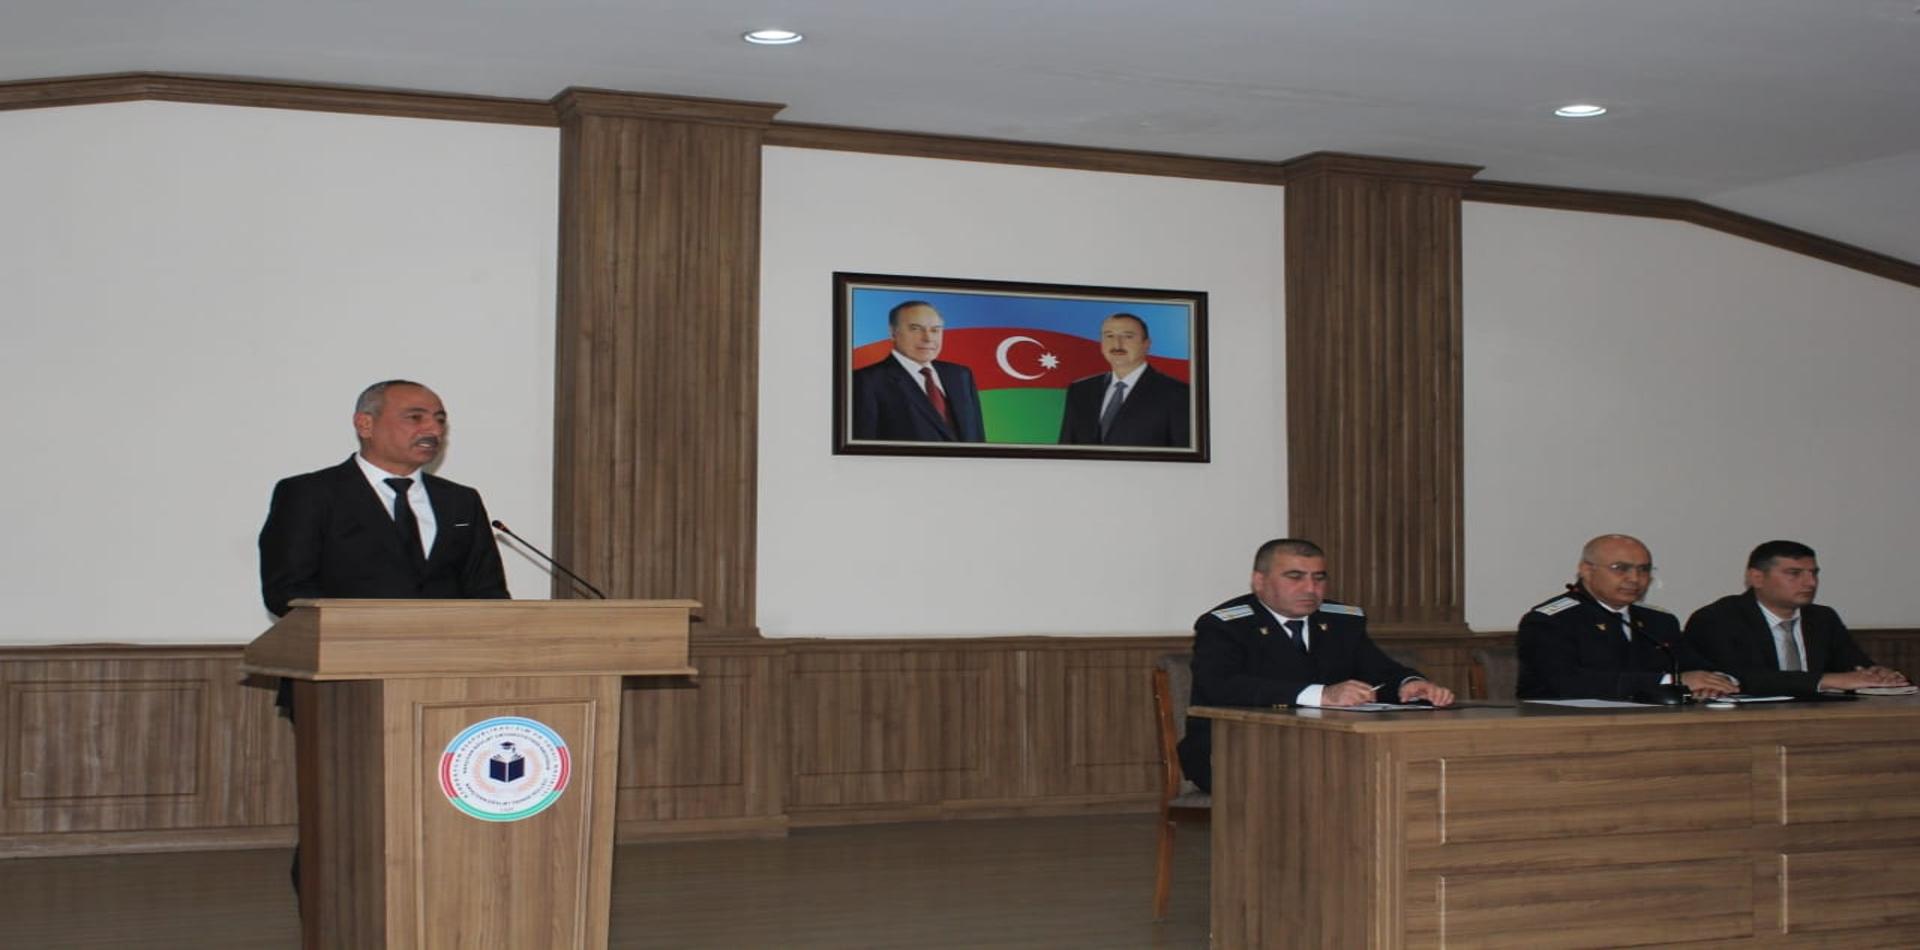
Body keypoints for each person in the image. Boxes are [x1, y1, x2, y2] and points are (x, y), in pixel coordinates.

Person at [1177, 538, 1454, 791]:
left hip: (1328, 746)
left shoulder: (1342, 621)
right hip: (1237, 749)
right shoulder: (1226, 625)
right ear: (1259, 581)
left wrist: (1410, 684)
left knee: (1405, 769)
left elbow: (1379, 670)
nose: (1310, 589)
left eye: (1319, 578)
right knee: (1340, 777)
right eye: (1294, 577)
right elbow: (1220, 686)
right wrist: (1321, 694)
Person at [259, 379, 510, 616]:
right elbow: (287, 591)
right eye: (415, 417)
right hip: (350, 644)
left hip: (449, 645)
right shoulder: (311, 494)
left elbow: (489, 592)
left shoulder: (460, 500)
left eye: (440, 420)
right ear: (365, 425)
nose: (434, 429)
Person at [1515, 534, 1735, 701]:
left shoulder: (1659, 621)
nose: (1634, 578)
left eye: (1644, 569)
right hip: (1566, 727)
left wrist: (1718, 682)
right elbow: (1567, 683)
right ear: (1587, 571)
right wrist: (1670, 681)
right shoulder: (1549, 621)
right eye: (1620, 568)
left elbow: (1695, 666)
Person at [1684, 540, 1908, 695]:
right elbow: (1740, 678)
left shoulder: (1822, 618)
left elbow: (1854, 665)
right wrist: (1827, 680)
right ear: (1757, 578)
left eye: (1814, 573)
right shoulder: (1718, 618)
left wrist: (1878, 674)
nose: (1810, 583)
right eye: (1794, 573)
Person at [849, 300, 985, 442]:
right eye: (915, 329)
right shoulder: (866, 381)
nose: (928, 338)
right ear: (893, 332)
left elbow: (977, 438)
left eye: (935, 330)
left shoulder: (960, 375)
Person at [1057, 312, 1190, 447]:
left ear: (1146, 344)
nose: (1117, 344)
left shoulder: (1178, 394)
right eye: (1109, 336)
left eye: (1128, 336)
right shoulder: (1080, 391)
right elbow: (1066, 449)